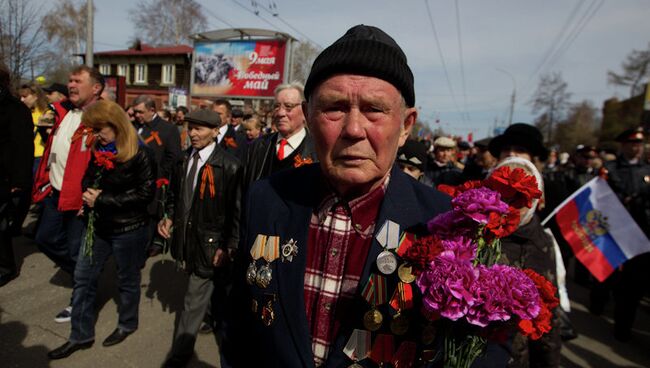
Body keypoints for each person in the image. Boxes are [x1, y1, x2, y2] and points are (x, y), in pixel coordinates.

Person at [223, 25, 458, 367]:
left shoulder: (442, 223)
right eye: (334, 107)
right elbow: (239, 323)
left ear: (406, 125)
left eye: (374, 109)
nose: (352, 129)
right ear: (309, 116)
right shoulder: (267, 197)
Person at [47, 100, 156, 360]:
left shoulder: (141, 152)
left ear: (116, 125)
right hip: (97, 226)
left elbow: (145, 195)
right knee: (83, 278)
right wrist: (87, 197)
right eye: (93, 129)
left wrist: (102, 200)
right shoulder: (98, 146)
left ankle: (127, 323)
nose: (95, 135)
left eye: (99, 129)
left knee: (127, 281)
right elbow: (88, 176)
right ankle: (80, 335)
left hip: (128, 228)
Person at [158, 109, 242, 367]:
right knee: (204, 294)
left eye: (199, 128)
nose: (192, 133)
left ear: (216, 131)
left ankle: (180, 353)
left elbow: (236, 211)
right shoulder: (184, 160)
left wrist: (230, 246)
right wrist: (169, 217)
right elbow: (175, 195)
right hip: (186, 241)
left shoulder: (230, 165)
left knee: (193, 298)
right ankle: (212, 317)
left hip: (210, 245)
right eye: (190, 128)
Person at [32, 65, 104, 323]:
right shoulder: (61, 110)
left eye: (77, 81)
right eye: (70, 80)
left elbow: (111, 159)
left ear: (95, 88)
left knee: (77, 251)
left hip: (80, 198)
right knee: (44, 239)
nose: (70, 85)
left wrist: (96, 193)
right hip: (54, 191)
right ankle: (85, 276)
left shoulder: (103, 117)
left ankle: (82, 300)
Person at [488, 123, 562, 368]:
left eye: (519, 149)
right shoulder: (474, 228)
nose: (511, 155)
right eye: (506, 149)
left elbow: (546, 322)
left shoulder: (540, 243)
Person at [590, 127, 650, 341]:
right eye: (633, 143)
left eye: (640, 143)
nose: (637, 147)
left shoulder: (647, 170)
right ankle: (597, 303)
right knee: (605, 273)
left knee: (632, 286)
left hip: (638, 236)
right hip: (612, 232)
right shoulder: (611, 169)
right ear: (623, 145)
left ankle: (623, 327)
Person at [241, 82, 318, 192]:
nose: (280, 113)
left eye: (288, 107)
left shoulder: (318, 150)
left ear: (304, 110)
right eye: (276, 106)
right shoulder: (257, 146)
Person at [131, 95, 181, 256]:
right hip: (131, 184)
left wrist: (158, 174)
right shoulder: (132, 127)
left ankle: (144, 250)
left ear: (152, 110)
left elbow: (174, 157)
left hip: (154, 185)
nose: (137, 115)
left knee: (148, 221)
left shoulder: (168, 129)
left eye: (140, 112)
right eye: (135, 112)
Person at [0, 64, 34, 287]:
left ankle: (6, 266)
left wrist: (19, 181)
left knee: (0, 224)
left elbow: (23, 148)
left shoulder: (14, 108)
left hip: (4, 176)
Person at [18, 83, 53, 173]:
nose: (21, 99)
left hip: (39, 156)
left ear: (35, 96)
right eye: (20, 96)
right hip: (24, 156)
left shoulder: (47, 113)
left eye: (25, 96)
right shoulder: (24, 113)